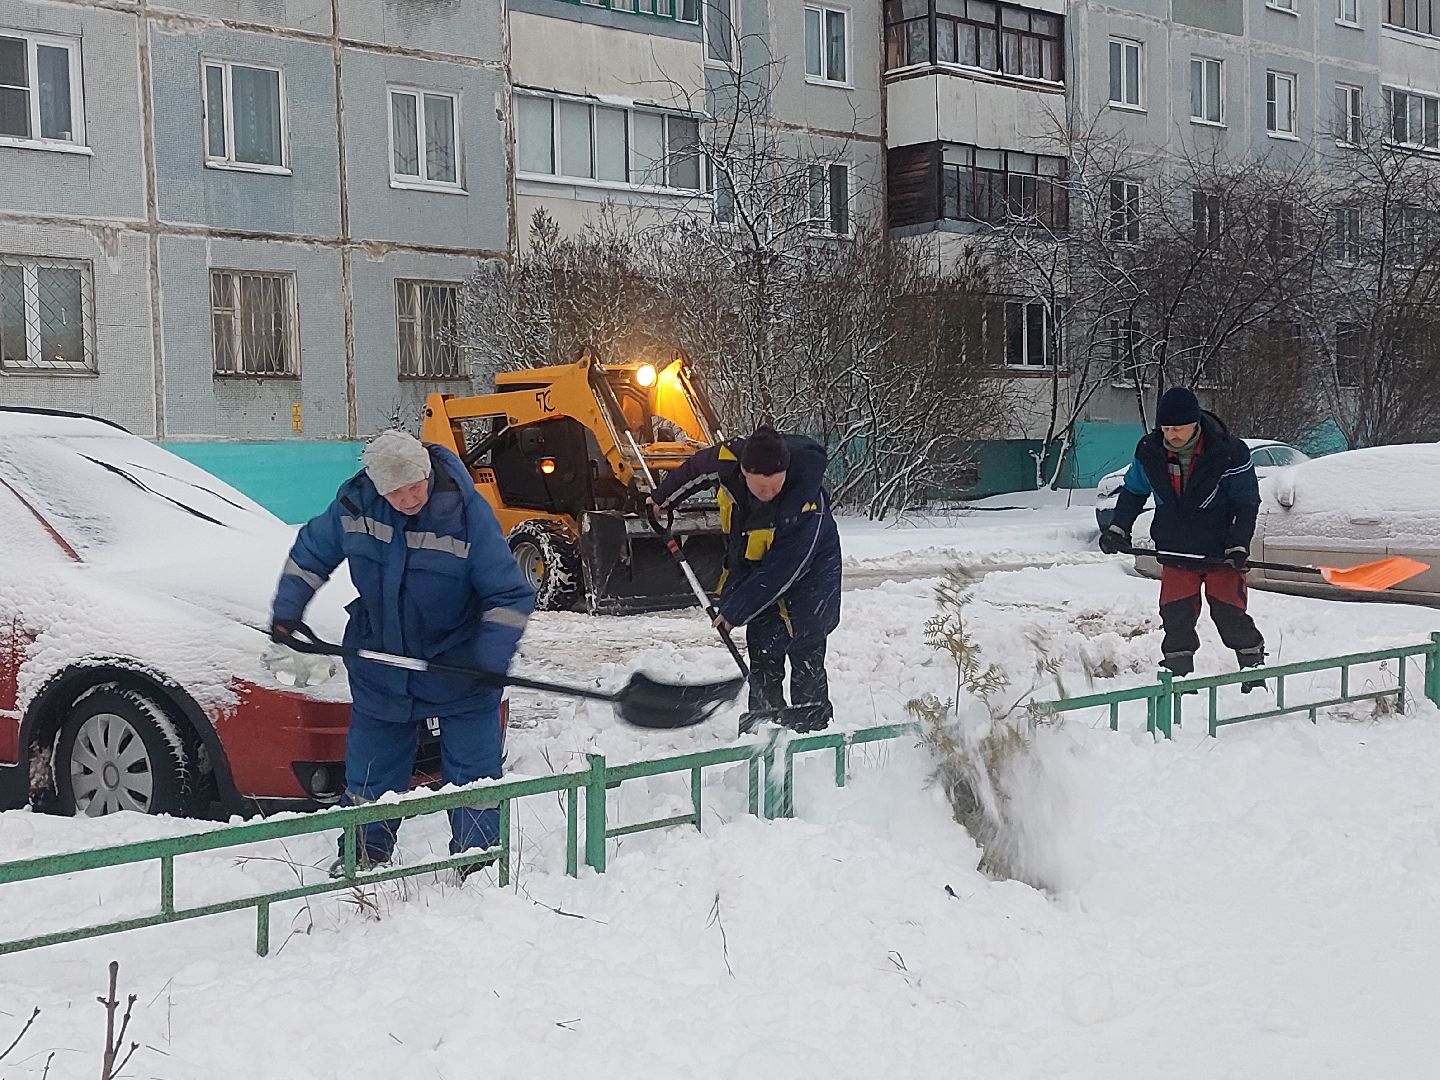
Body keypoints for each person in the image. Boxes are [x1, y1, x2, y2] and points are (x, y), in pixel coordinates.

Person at [270, 430, 535, 876]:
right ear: (376, 486)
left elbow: (509, 595)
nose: (410, 497)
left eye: (416, 485)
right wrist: (287, 613)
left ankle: (478, 862)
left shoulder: (467, 515)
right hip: (381, 661)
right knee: (371, 773)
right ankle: (363, 855)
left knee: (474, 776)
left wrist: (488, 661)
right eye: (396, 491)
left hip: (459, 662)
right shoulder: (354, 506)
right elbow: (311, 554)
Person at [648, 425, 842, 731]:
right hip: (755, 572)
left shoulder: (805, 500)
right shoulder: (728, 462)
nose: (766, 494)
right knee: (764, 652)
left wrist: (735, 610)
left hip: (811, 582)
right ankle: (764, 727)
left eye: (774, 487)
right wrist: (660, 499)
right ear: (743, 471)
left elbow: (785, 567)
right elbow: (696, 469)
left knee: (806, 654)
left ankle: (812, 728)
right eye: (759, 487)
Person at [1099, 387, 1267, 688]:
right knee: (1176, 619)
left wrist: (1239, 544)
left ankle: (1253, 675)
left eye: (1178, 428)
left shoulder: (1228, 452)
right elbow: (1134, 491)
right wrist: (1118, 528)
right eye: (1166, 428)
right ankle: (1177, 684)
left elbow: (1246, 502)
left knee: (1230, 618)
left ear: (1195, 424)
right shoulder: (1150, 452)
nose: (1171, 435)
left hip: (1221, 554)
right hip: (1176, 551)